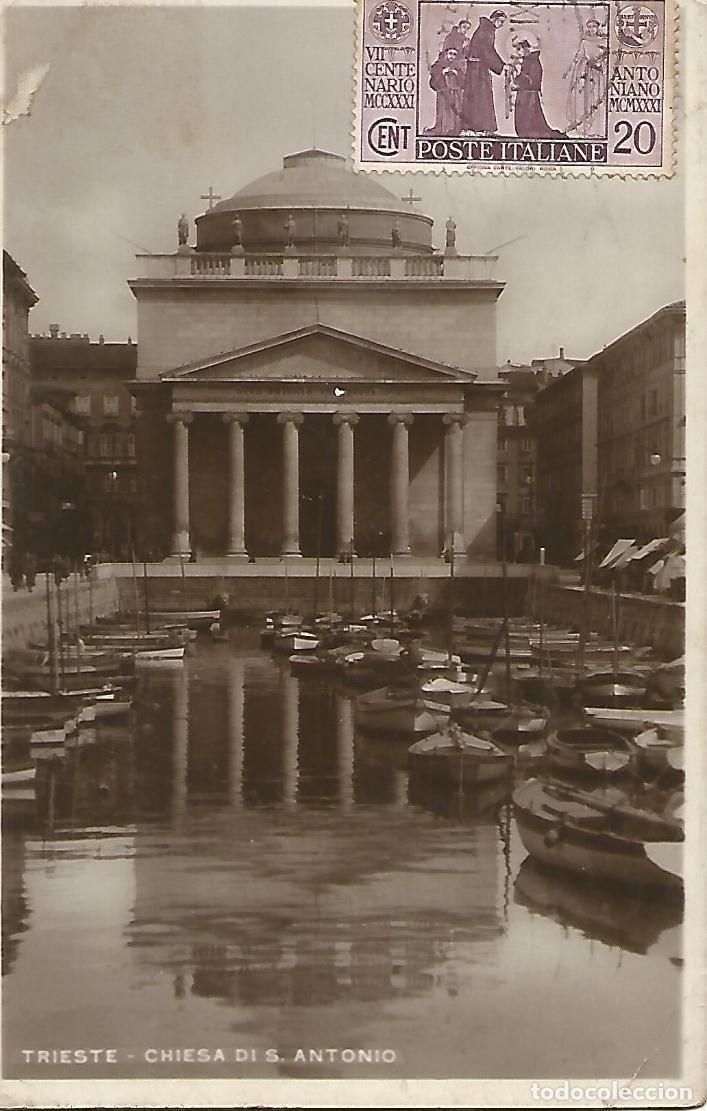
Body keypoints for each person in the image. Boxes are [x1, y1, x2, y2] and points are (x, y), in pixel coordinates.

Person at [461, 10, 508, 135]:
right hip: (477, 70)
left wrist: (502, 64)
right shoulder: (486, 32)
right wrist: (501, 67)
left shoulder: (485, 29)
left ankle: (476, 128)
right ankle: (479, 128)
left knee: (479, 96)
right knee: (480, 96)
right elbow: (487, 52)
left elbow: (490, 51)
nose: (502, 24)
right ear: (494, 19)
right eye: (501, 21)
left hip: (477, 68)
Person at [514, 40, 567, 139]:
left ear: (526, 48)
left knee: (530, 127)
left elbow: (533, 82)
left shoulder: (533, 62)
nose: (517, 52)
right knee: (524, 127)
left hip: (530, 97)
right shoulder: (526, 61)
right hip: (523, 95)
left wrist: (519, 74)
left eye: (518, 49)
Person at [564, 19, 608, 138]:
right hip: (587, 73)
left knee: (598, 99)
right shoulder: (585, 42)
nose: (592, 29)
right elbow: (580, 56)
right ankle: (586, 128)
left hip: (599, 75)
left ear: (598, 27)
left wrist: (600, 63)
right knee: (586, 100)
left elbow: (607, 56)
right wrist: (577, 66)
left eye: (594, 26)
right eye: (589, 27)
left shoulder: (604, 41)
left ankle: (598, 129)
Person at [426, 47, 465, 135]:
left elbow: (464, 82)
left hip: (455, 95)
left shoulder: (458, 67)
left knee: (455, 113)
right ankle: (443, 130)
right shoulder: (438, 66)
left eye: (454, 54)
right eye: (450, 53)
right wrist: (443, 72)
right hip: (443, 94)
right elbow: (433, 82)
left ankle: (455, 131)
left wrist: (456, 73)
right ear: (446, 54)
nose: (452, 56)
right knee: (443, 112)